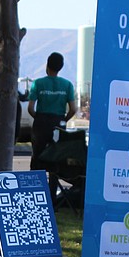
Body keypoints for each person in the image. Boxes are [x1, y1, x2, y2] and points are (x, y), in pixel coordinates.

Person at [28, 52, 77, 194]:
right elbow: (73, 109)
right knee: (55, 159)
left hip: (41, 122)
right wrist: (63, 120)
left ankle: (34, 192)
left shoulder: (38, 83)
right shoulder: (67, 85)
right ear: (60, 67)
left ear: (47, 65)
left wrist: (39, 117)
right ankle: (52, 197)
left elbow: (31, 108)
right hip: (58, 123)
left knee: (37, 157)